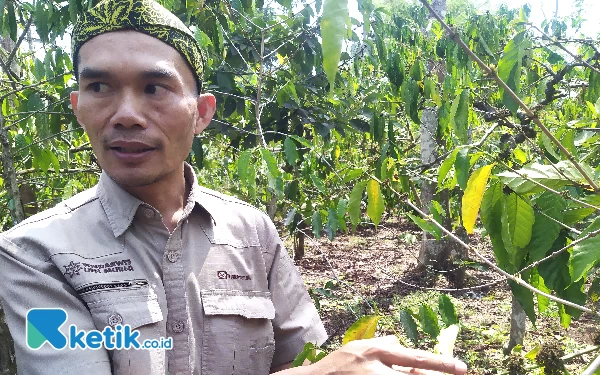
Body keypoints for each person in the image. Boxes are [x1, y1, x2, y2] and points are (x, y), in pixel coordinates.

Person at [0, 0, 468, 374]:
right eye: (100, 87)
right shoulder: (34, 253)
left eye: (154, 88)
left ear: (202, 113)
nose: (126, 114)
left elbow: (298, 357)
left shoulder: (251, 231)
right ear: (78, 107)